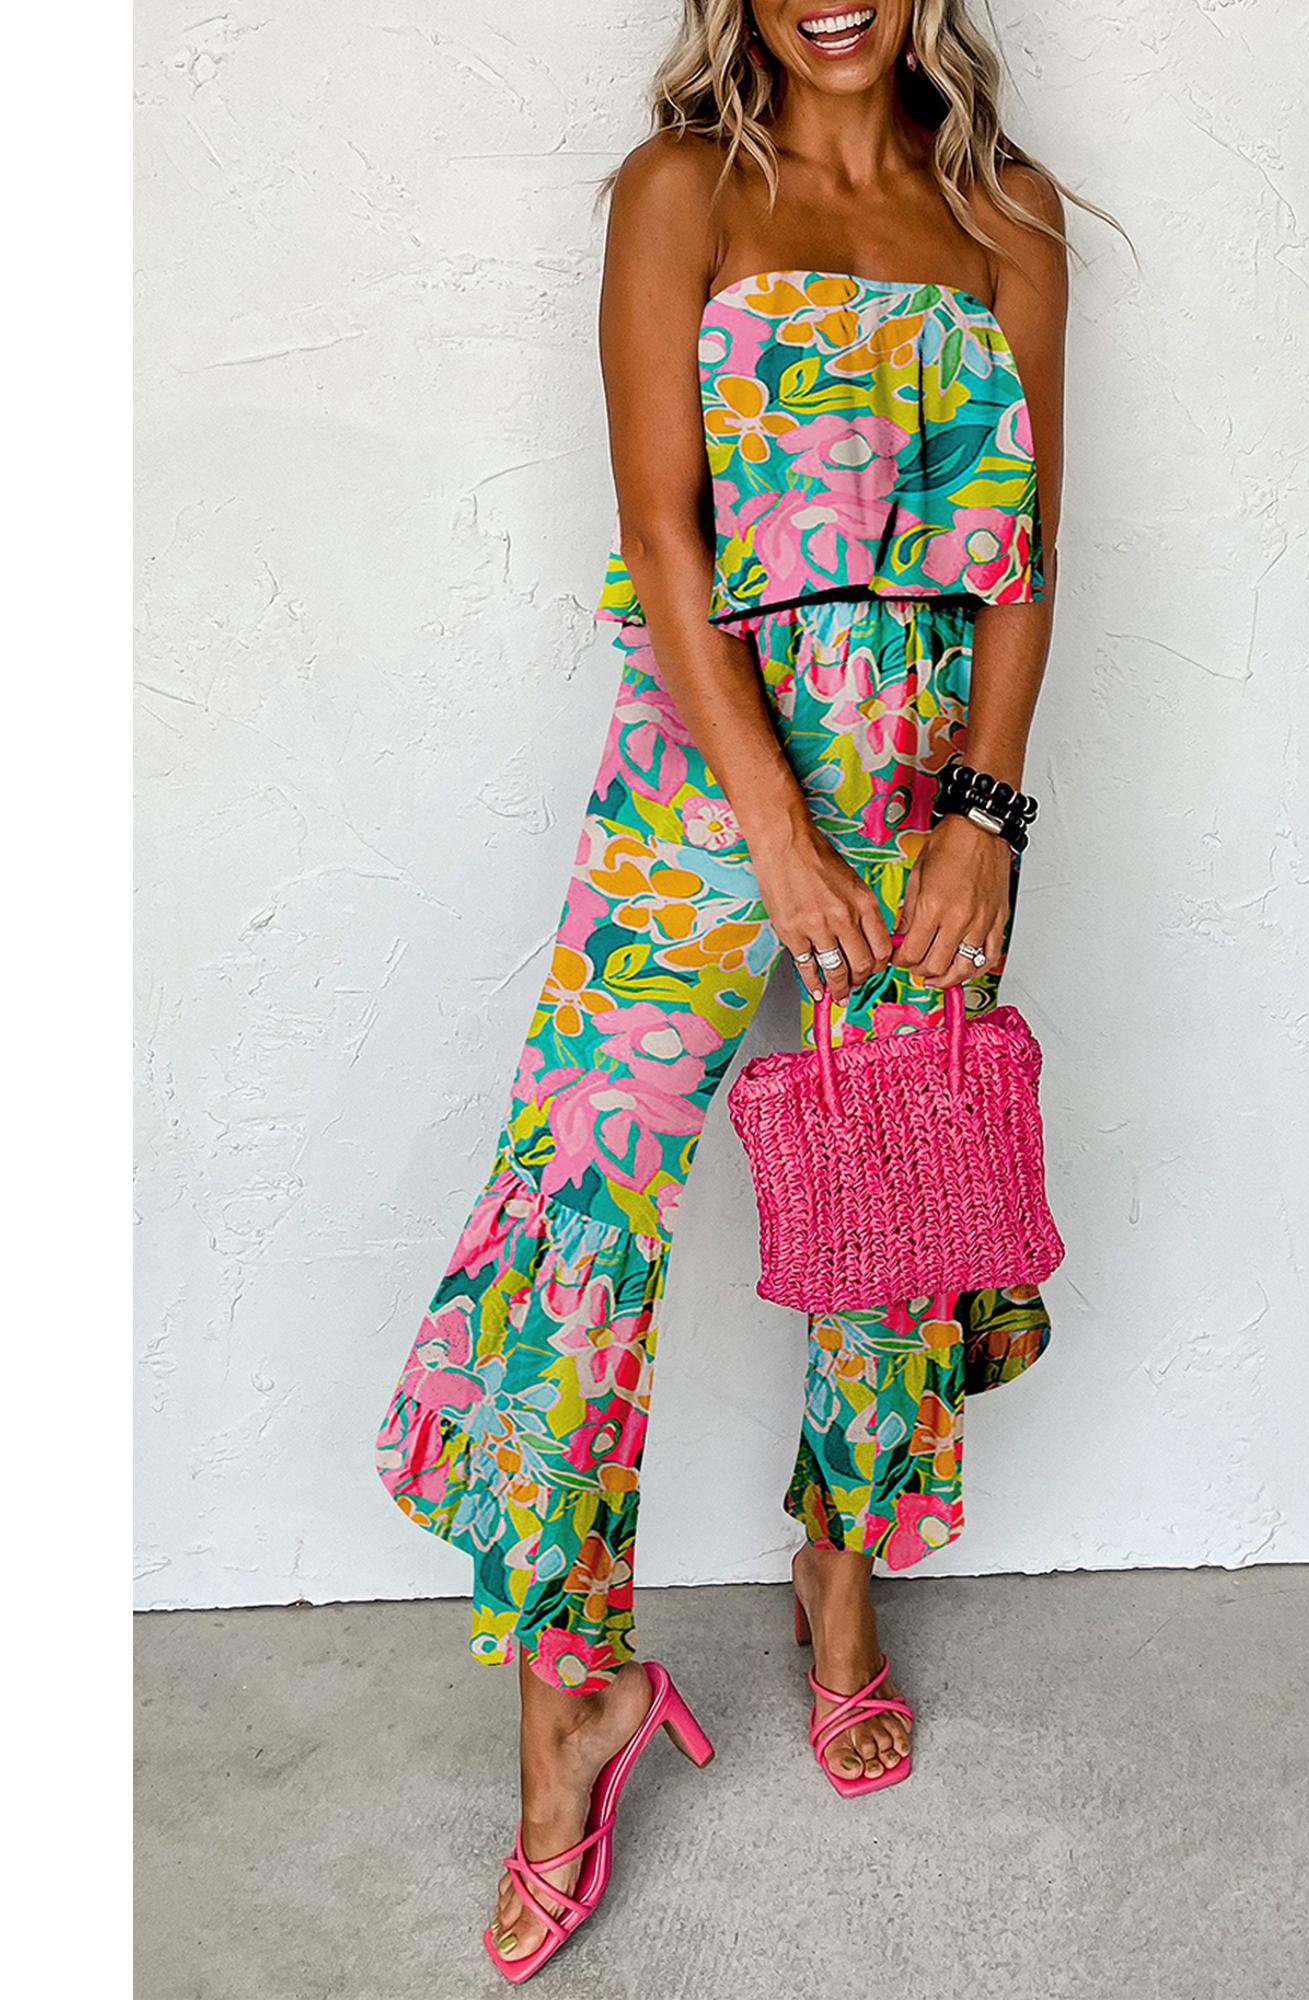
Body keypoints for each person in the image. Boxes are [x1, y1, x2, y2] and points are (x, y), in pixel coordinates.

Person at [375, 0, 1076, 1977]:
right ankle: (572, 1689)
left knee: (892, 1204)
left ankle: (838, 1582)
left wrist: (983, 819)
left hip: (921, 764)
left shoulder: (1010, 215)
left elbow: (1025, 555)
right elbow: (660, 527)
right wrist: (769, 821)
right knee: (577, 1202)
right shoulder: (681, 188)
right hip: (702, 764)